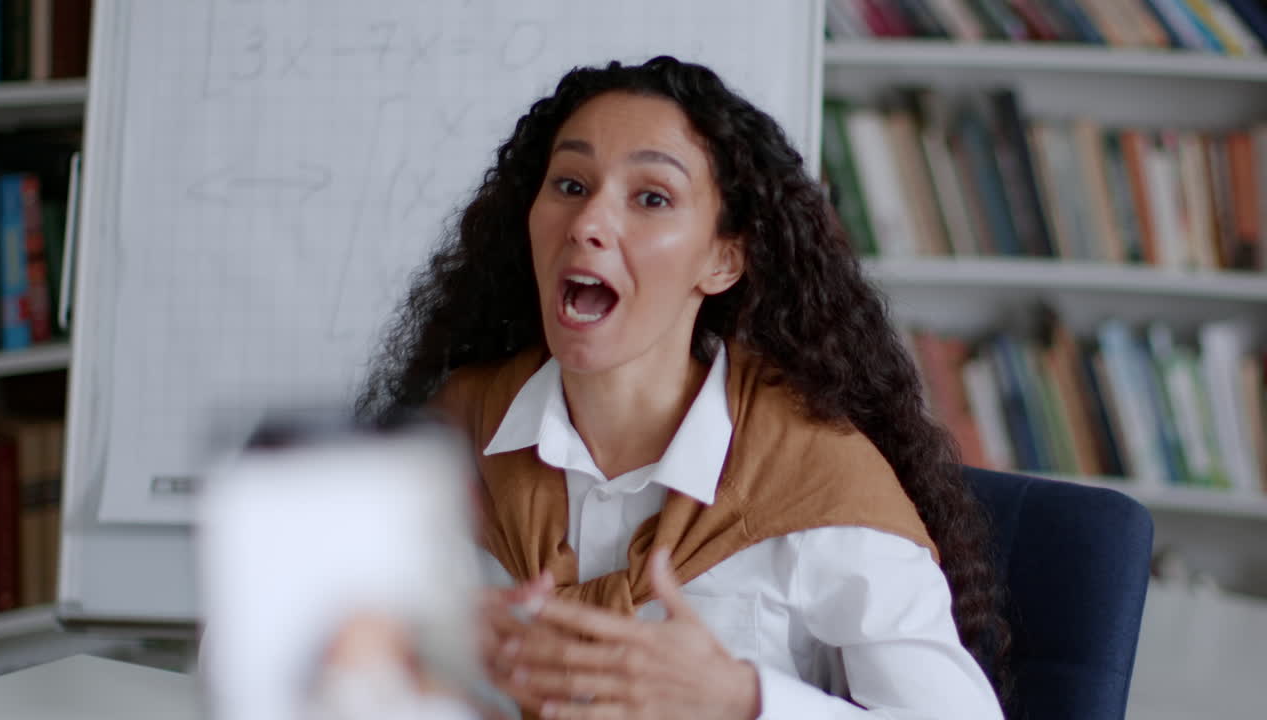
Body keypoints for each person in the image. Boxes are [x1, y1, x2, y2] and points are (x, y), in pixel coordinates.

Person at [357, 56, 1008, 719]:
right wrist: (419, 660)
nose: (588, 223)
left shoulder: (816, 476)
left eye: (652, 198)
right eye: (571, 184)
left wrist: (740, 698)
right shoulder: (441, 440)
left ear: (722, 259)